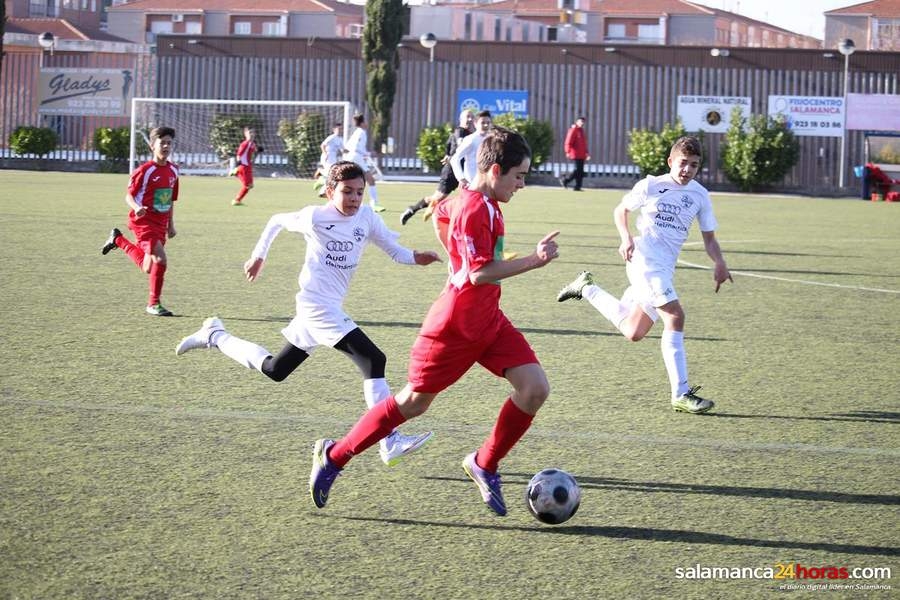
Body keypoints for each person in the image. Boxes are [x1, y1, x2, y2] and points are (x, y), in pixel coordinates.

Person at [309, 128, 561, 517]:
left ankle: (484, 464)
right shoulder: (476, 207)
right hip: (453, 327)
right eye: (519, 176)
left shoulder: (478, 200)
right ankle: (334, 456)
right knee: (413, 402)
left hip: (488, 320)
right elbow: (478, 274)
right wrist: (534, 260)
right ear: (495, 170)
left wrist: (455, 257)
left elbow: (441, 214)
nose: (522, 184)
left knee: (534, 389)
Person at [175, 161, 441, 465]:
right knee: (373, 359)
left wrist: (416, 257)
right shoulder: (315, 217)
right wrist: (258, 256)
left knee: (276, 369)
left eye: (359, 192)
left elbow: (395, 251)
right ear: (329, 191)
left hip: (326, 308)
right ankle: (388, 440)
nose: (354, 198)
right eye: (347, 192)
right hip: (317, 307)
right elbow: (275, 221)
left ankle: (215, 335)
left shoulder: (366, 216)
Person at [556, 136, 732, 414]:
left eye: (694, 165)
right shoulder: (651, 185)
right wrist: (626, 237)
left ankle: (586, 287)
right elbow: (621, 210)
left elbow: (709, 238)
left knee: (634, 331)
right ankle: (681, 393)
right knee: (675, 315)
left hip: (664, 267)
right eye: (683, 163)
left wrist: (719, 262)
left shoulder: (700, 195)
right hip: (644, 260)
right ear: (670, 162)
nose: (687, 170)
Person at [101, 126, 179, 317]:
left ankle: (117, 240)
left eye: (169, 142)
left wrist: (171, 224)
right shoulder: (144, 171)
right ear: (153, 145)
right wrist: (137, 208)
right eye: (162, 142)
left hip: (160, 223)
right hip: (143, 223)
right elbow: (129, 196)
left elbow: (170, 200)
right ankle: (153, 304)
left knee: (149, 268)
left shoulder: (174, 171)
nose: (166, 146)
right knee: (161, 259)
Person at [400, 109, 474, 225]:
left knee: (470, 196)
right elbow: (459, 145)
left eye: (472, 117)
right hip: (451, 172)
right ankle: (412, 209)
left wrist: (447, 154)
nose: (470, 119)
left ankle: (466, 222)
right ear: (461, 119)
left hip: (462, 173)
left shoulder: (468, 134)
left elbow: (449, 143)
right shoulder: (461, 131)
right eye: (467, 117)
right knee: (437, 197)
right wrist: (452, 155)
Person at [345, 113, 384, 213]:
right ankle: (374, 204)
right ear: (362, 123)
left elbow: (348, 146)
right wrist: (368, 153)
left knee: (347, 180)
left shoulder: (356, 132)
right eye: (365, 121)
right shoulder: (362, 132)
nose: (367, 124)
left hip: (351, 156)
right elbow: (356, 148)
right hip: (356, 157)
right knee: (371, 180)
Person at [448, 110, 492, 193]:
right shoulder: (471, 139)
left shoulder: (491, 139)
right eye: (483, 122)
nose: (486, 125)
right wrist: (461, 178)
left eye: (488, 123)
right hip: (471, 184)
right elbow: (454, 159)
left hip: (486, 183)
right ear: (475, 124)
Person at [313, 122, 344, 198]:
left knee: (332, 174)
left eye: (341, 129)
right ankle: (322, 190)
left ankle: (321, 180)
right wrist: (325, 153)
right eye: (338, 129)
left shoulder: (340, 139)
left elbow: (343, 150)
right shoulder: (331, 137)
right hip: (327, 157)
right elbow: (322, 145)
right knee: (331, 174)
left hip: (333, 158)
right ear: (334, 130)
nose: (340, 130)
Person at [232, 126, 261, 206]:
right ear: (246, 134)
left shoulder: (252, 144)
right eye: (250, 133)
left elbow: (255, 150)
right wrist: (238, 163)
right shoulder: (244, 144)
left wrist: (259, 150)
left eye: (253, 133)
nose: (252, 134)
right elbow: (239, 154)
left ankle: (237, 173)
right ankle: (237, 200)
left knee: (250, 185)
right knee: (247, 185)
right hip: (244, 166)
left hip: (248, 166)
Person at [560, 116, 589, 191]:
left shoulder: (581, 131)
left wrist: (587, 153)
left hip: (582, 154)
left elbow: (584, 144)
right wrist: (567, 151)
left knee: (580, 171)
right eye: (580, 121)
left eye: (583, 122)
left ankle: (578, 187)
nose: (582, 123)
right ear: (577, 122)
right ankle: (565, 180)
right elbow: (568, 142)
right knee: (577, 170)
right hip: (575, 153)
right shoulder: (573, 130)